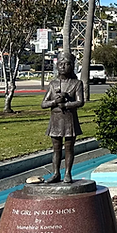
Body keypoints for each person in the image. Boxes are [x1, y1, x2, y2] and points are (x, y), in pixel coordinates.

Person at [40, 52, 85, 183]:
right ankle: (55, 173)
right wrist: (54, 102)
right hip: (56, 120)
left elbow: (80, 102)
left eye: (66, 64)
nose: (63, 67)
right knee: (56, 148)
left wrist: (66, 104)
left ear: (72, 66)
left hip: (70, 119)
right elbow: (43, 103)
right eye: (61, 64)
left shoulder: (77, 83)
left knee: (69, 148)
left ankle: (67, 173)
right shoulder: (53, 84)